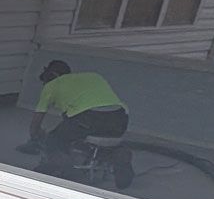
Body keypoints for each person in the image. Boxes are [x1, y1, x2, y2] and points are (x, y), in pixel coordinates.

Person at [24, 59, 134, 188]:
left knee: (54, 139)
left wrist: (35, 136)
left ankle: (62, 170)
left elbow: (37, 120)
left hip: (87, 117)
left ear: (53, 75)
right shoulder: (94, 76)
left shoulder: (52, 85)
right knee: (91, 140)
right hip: (119, 118)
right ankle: (118, 154)